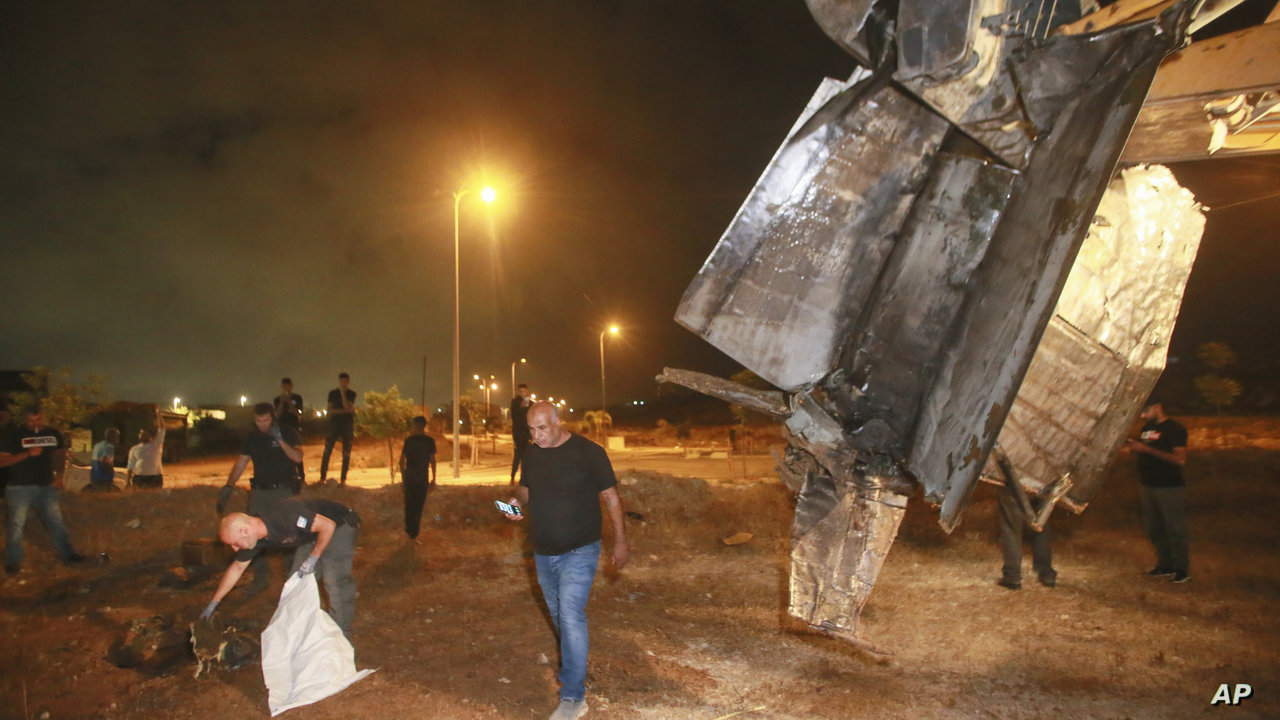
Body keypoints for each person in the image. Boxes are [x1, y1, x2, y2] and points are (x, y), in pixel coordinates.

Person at [502, 401, 629, 720]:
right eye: (531, 430)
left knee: (570, 615)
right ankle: (577, 664)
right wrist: (514, 504)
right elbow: (526, 489)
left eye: (542, 428)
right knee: (562, 619)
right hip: (544, 552)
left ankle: (573, 696)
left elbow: (611, 497)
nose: (537, 435)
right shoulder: (532, 453)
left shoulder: (589, 452)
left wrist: (621, 540)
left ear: (559, 422)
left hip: (580, 549)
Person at [201, 497, 361, 638]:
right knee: (295, 584)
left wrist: (313, 557)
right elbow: (236, 569)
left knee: (334, 582)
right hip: (312, 534)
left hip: (339, 526)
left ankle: (341, 635)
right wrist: (214, 602)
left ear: (244, 531)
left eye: (235, 543)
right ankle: (305, 631)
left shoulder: (284, 516)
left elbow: (328, 525)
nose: (235, 549)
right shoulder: (254, 538)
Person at [217, 402, 304, 594]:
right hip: (260, 493)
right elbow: (241, 463)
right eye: (258, 421)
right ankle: (260, 578)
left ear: (273, 418)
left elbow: (297, 458)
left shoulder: (287, 431)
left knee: (290, 533)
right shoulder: (252, 437)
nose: (262, 424)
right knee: (252, 535)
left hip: (284, 491)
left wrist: (280, 440)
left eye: (266, 420)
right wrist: (228, 486)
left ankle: (291, 578)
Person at [0, 407, 87, 575]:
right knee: (16, 526)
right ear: (25, 420)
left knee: (56, 522)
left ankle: (68, 555)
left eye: (39, 420)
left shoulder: (53, 434)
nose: (36, 424)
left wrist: (60, 476)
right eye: (32, 421)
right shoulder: (14, 436)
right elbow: (2, 461)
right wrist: (26, 454)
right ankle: (14, 562)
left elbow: (59, 455)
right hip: (19, 488)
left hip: (46, 487)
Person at [1125, 400, 1190, 583]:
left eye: (1145, 412)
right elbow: (1148, 450)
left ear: (1157, 407)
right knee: (1154, 528)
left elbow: (1180, 459)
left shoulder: (1175, 429)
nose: (1143, 416)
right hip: (1147, 485)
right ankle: (1165, 565)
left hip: (1169, 486)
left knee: (1175, 528)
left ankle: (1181, 569)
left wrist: (1146, 449)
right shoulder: (1147, 428)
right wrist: (1137, 448)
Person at [995, 479, 1056, 590]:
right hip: (1045, 480)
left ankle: (1012, 575)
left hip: (1016, 478)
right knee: (1041, 523)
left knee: (1011, 525)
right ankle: (1046, 572)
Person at [398, 415, 437, 543]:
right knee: (418, 507)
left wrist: (403, 477)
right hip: (422, 478)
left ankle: (410, 533)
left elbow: (401, 461)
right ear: (424, 426)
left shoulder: (409, 441)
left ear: (415, 426)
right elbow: (432, 461)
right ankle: (414, 534)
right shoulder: (429, 441)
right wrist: (434, 479)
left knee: (409, 506)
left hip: (410, 478)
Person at [321, 372, 357, 485]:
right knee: (327, 451)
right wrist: (345, 411)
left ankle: (343, 480)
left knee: (346, 453)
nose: (343, 383)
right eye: (341, 381)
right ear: (339, 381)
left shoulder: (351, 393)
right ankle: (322, 478)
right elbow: (330, 410)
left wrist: (342, 394)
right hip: (334, 424)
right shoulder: (332, 393)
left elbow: (349, 407)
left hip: (347, 424)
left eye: (345, 381)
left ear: (348, 381)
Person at [273, 377, 306, 493]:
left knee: (297, 452)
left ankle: (301, 477)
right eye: (284, 386)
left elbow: (298, 413)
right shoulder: (278, 399)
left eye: (288, 386)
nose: (286, 388)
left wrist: (289, 403)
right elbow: (276, 415)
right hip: (282, 429)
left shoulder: (297, 398)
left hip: (294, 428)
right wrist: (283, 402)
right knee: (282, 452)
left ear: (291, 386)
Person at [126, 407, 165, 488]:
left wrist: (158, 414)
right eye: (141, 434)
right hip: (139, 477)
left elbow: (162, 428)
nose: (142, 435)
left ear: (150, 436)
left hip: (154, 477)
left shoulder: (156, 444)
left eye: (144, 434)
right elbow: (130, 465)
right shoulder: (134, 449)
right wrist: (128, 481)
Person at [509, 383, 533, 484]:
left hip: (527, 433)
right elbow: (513, 416)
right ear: (519, 392)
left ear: (527, 391)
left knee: (526, 457)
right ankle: (512, 477)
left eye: (524, 391)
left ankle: (523, 479)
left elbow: (532, 417)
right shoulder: (515, 402)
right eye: (521, 391)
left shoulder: (531, 403)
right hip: (517, 433)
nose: (523, 393)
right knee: (517, 456)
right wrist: (521, 408)